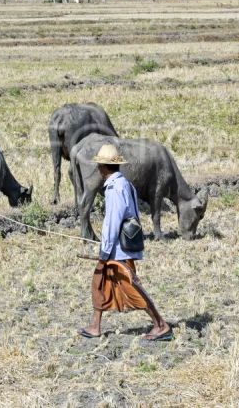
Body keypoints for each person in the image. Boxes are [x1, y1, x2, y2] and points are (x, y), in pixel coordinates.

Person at [79, 144, 172, 341]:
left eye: (99, 165)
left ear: (104, 167)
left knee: (132, 286)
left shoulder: (115, 188)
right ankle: (95, 325)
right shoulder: (124, 183)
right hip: (121, 246)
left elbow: (113, 220)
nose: (97, 168)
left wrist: (105, 251)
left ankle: (161, 325)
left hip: (117, 249)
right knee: (99, 281)